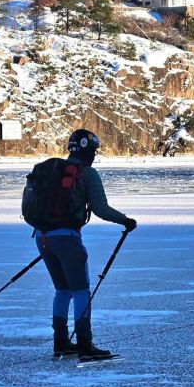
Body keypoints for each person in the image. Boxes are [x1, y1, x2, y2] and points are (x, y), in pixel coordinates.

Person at [36, 129, 137, 360]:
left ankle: (60, 343)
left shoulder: (53, 170)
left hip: (42, 238)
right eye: (93, 151)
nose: (94, 155)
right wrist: (125, 220)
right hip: (67, 239)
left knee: (62, 290)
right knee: (81, 290)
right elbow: (100, 208)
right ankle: (84, 345)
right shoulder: (87, 174)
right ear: (87, 150)